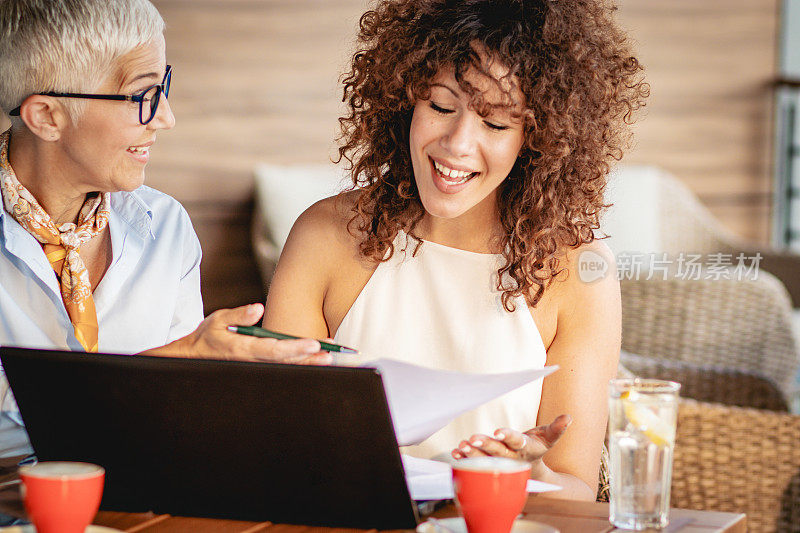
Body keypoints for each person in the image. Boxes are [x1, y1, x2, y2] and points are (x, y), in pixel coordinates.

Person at [263, 0, 648, 500]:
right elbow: (272, 440)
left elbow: (575, 488)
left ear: (538, 138)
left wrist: (533, 473)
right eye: (441, 107)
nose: (458, 145)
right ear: (405, 100)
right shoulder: (327, 234)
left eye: (496, 124)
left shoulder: (575, 268)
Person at [0, 0, 330, 456]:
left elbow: (177, 417)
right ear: (47, 117)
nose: (166, 118)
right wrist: (187, 355)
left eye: (163, 87)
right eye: (141, 96)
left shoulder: (167, 228)